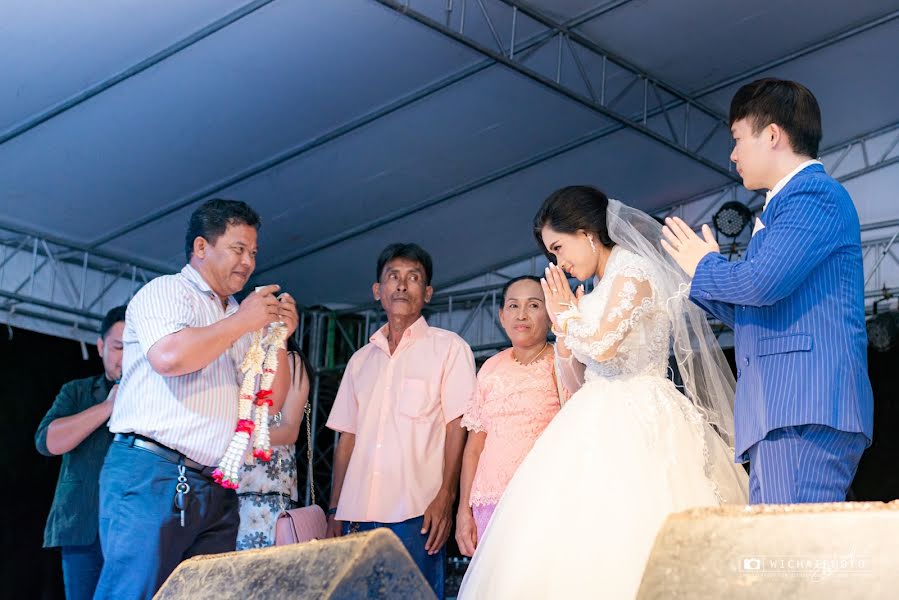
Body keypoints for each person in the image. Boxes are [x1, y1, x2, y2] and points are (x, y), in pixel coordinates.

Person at [459, 186, 748, 599]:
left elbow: (603, 347)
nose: (559, 262)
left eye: (559, 247)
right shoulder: (600, 287)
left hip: (639, 419)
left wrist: (566, 319)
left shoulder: (635, 272)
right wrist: (566, 328)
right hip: (594, 415)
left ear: (586, 232)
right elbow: (577, 381)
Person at [661, 78, 874, 504]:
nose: (733, 154)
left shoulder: (811, 194)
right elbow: (756, 307)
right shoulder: (786, 203)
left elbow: (760, 283)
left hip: (801, 405)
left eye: (738, 139)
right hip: (785, 408)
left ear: (772, 135)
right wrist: (697, 273)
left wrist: (705, 264)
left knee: (789, 559)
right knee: (787, 553)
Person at [93, 199, 298, 600]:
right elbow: (170, 357)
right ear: (202, 247)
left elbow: (268, 404)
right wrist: (243, 322)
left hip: (216, 485)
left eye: (253, 253)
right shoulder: (167, 291)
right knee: (132, 592)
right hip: (153, 471)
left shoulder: (239, 314)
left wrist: (279, 340)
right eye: (238, 249)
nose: (248, 262)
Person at [325, 243, 477, 599]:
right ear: (377, 290)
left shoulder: (450, 348)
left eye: (413, 278)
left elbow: (459, 426)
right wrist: (335, 508)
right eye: (393, 276)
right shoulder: (360, 361)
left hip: (417, 514)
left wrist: (446, 497)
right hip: (356, 515)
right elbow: (346, 439)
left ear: (427, 293)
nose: (402, 286)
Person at [455, 276, 580, 556]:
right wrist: (464, 510)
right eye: (513, 306)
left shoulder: (562, 362)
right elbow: (474, 448)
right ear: (501, 315)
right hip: (486, 502)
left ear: (549, 314)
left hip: (540, 498)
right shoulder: (489, 368)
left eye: (534, 305)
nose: (521, 315)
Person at [34, 306, 126, 600]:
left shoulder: (157, 397)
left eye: (134, 348)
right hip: (83, 526)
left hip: (133, 529)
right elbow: (47, 442)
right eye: (118, 347)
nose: (125, 357)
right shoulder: (77, 392)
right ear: (101, 347)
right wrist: (107, 407)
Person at [236, 339, 310, 549]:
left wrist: (239, 438)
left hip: (266, 491)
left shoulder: (290, 361)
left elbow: (289, 430)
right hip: (229, 486)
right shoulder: (238, 354)